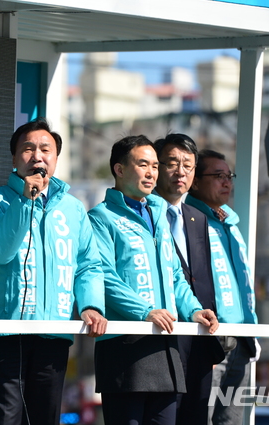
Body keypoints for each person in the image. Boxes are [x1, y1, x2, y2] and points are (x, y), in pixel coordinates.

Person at [0, 118, 107, 425]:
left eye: (46, 149)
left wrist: (89, 305)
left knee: (43, 418)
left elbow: (88, 264)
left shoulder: (73, 209)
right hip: (5, 333)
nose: (37, 155)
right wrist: (24, 199)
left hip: (53, 333)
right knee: (3, 418)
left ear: (56, 158)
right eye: (28, 148)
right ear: (13, 157)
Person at [87, 135, 218, 425]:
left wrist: (195, 310)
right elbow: (103, 276)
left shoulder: (158, 214)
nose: (151, 173)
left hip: (165, 347)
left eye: (155, 166)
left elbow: (174, 276)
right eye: (143, 164)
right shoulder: (100, 217)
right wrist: (145, 311)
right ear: (119, 170)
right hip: (125, 348)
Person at [153, 134, 225, 425]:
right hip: (163, 334)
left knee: (195, 415)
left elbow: (202, 277)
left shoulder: (198, 217)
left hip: (199, 336)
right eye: (171, 163)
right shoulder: (145, 213)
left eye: (188, 165)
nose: (180, 171)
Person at [185, 149, 259, 425]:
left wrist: (252, 333)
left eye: (229, 176)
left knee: (232, 421)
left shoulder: (230, 222)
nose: (226, 182)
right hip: (210, 339)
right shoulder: (188, 219)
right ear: (195, 181)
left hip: (242, 339)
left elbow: (245, 284)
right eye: (217, 176)